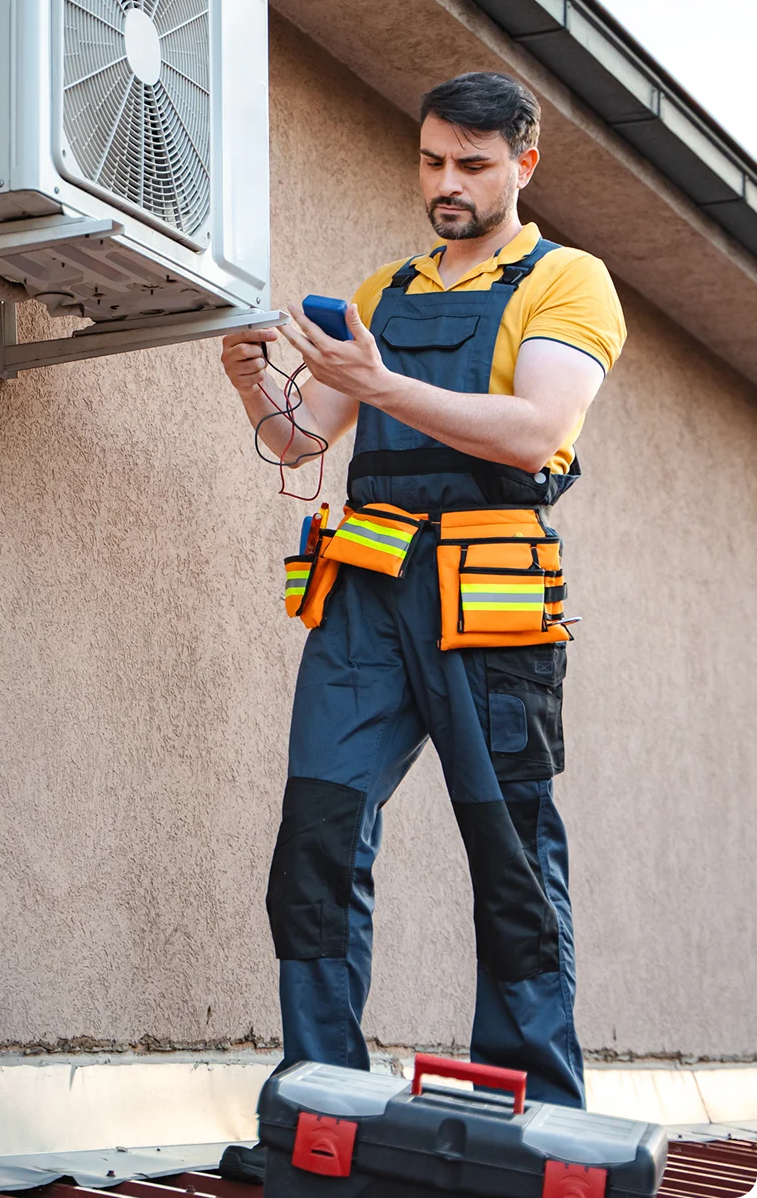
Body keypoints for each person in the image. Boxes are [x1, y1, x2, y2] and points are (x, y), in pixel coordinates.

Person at [217, 71, 626, 1183]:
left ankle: (533, 1127)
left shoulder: (568, 283)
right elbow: (305, 440)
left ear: (522, 164)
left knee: (509, 860)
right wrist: (255, 385)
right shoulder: (381, 289)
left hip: (490, 594)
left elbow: (531, 427)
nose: (445, 183)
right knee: (312, 846)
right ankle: (318, 1106)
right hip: (366, 593)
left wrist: (378, 385)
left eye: (472, 165)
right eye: (431, 160)